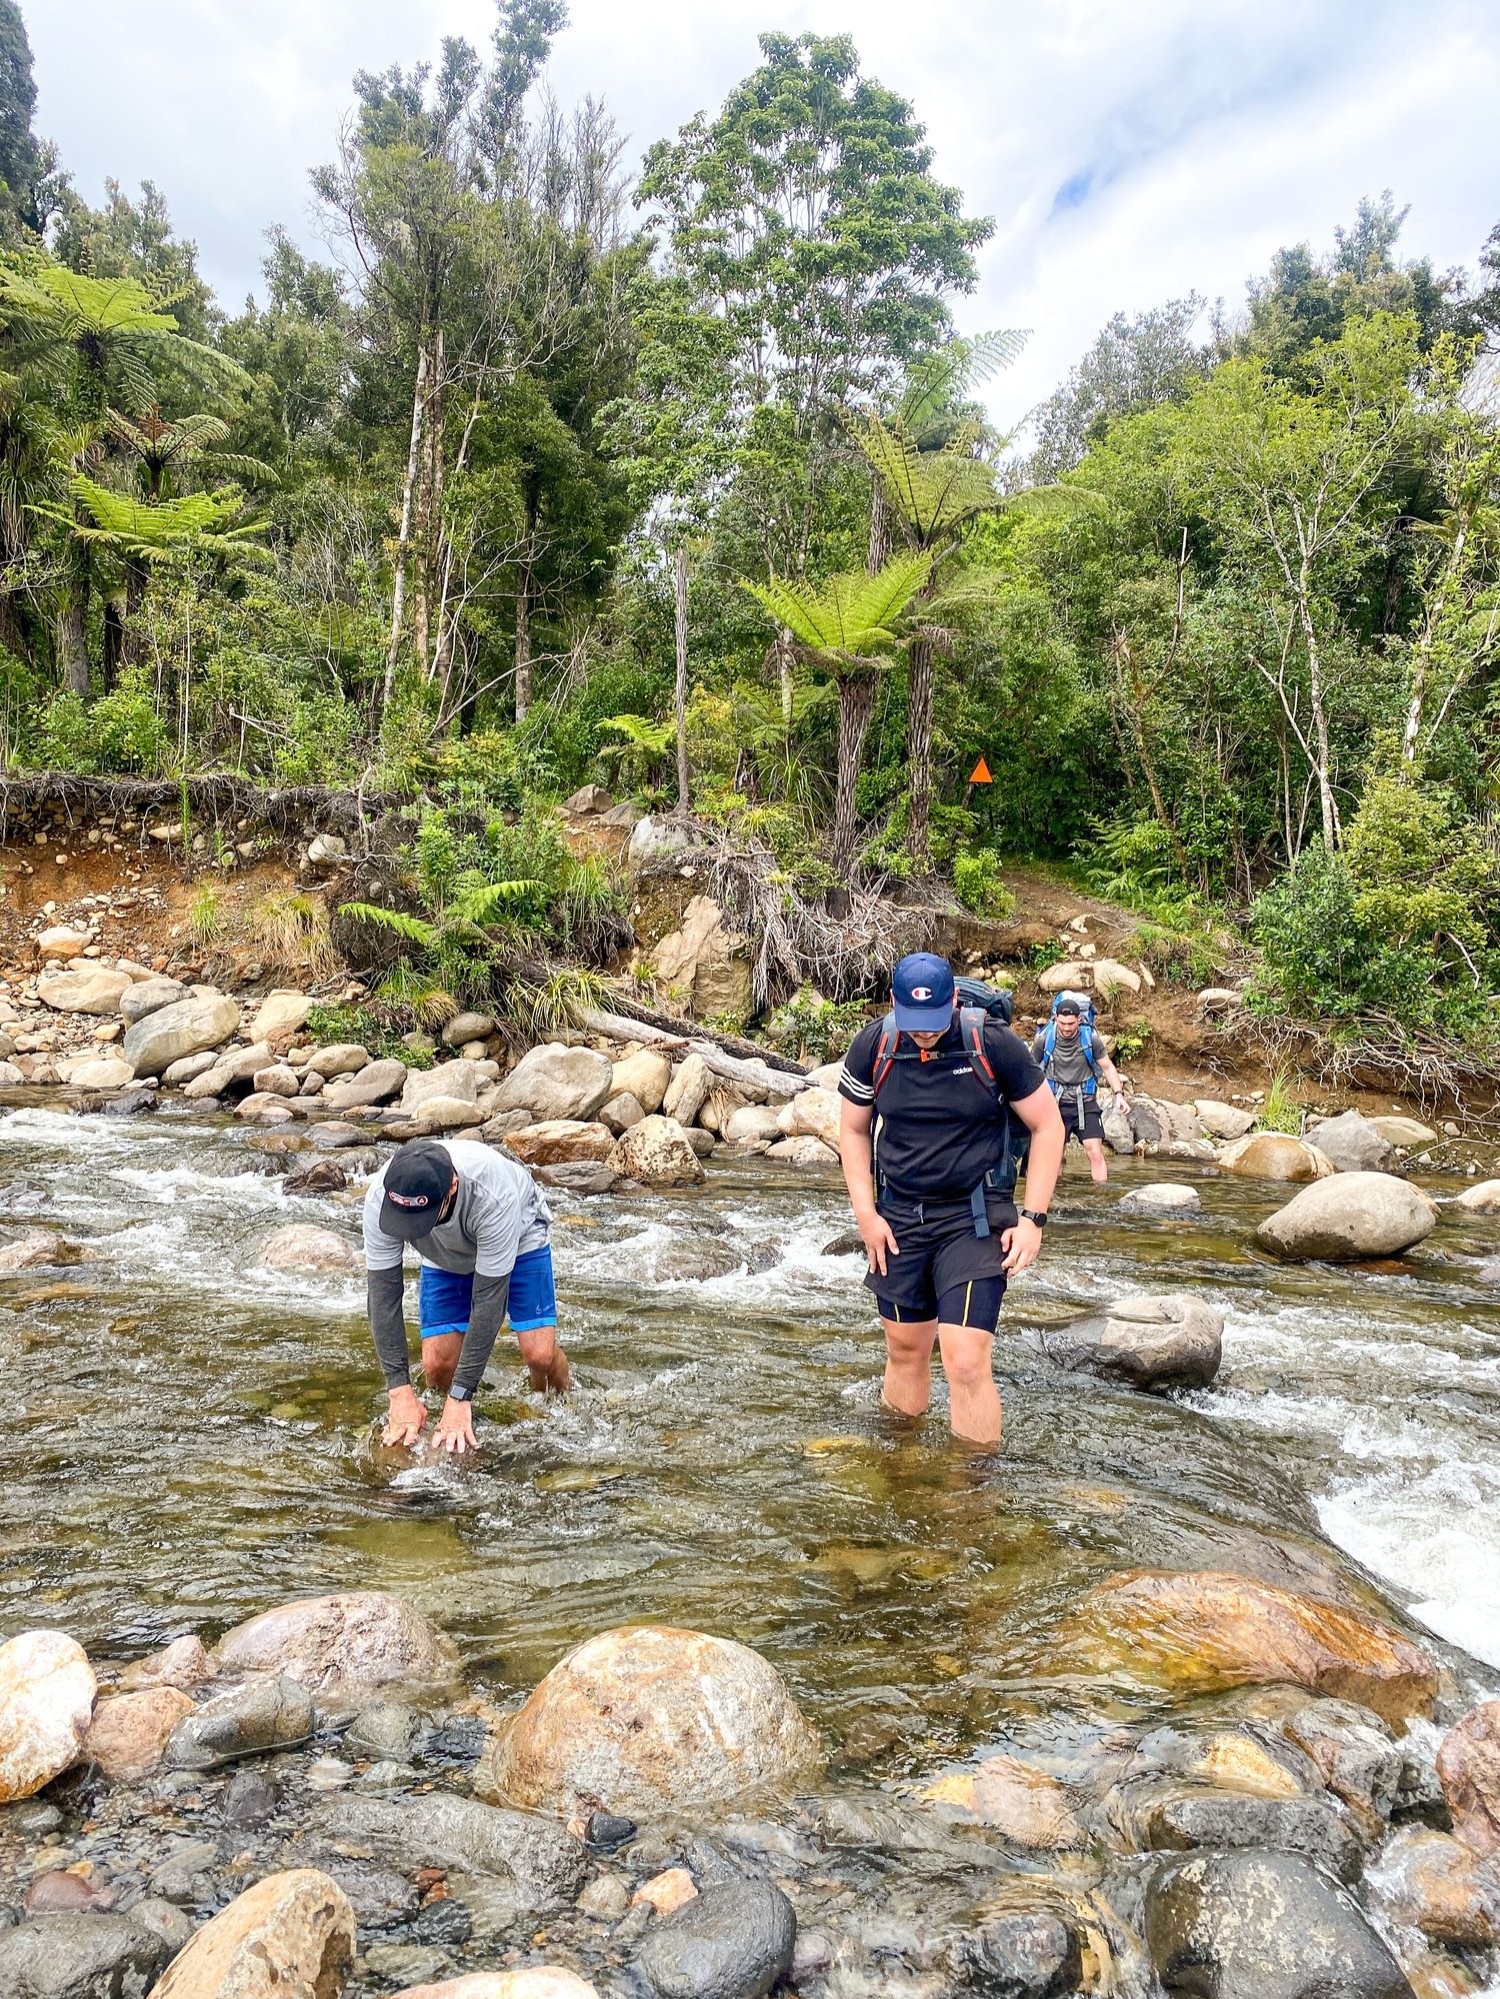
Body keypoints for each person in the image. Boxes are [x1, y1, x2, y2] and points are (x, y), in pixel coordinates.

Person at [837, 952, 1065, 1447]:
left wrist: (1033, 1219)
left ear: (954, 1001)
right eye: (914, 1022)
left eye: (935, 1022)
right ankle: (902, 1468)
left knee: (964, 1359)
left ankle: (972, 1492)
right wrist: (866, 1216)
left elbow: (1048, 1125)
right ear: (895, 1004)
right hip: (899, 1217)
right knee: (904, 1348)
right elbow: (853, 1129)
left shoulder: (992, 1044)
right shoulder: (873, 1046)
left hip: (976, 1216)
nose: (924, 1033)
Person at [362, 1137, 570, 1455]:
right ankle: (451, 1435)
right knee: (437, 1365)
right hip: (444, 1250)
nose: (410, 1228)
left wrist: (461, 1395)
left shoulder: (492, 1193)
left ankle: (564, 1406)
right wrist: (398, 1390)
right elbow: (383, 1296)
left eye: (421, 1218)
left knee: (538, 1355)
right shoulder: (383, 1197)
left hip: (519, 1233)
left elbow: (488, 1303)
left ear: (452, 1187)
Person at [1030, 996, 1126, 1188]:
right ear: (1056, 1019)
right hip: (1055, 1103)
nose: (1066, 1028)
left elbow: (1107, 1067)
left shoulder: (1090, 1039)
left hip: (1086, 1100)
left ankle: (1101, 1196)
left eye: (1071, 1023)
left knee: (1095, 1152)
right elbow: (1030, 1068)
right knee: (1056, 1155)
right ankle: (1056, 1196)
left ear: (1079, 1020)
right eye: (1063, 1023)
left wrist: (1118, 1095)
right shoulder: (1045, 1038)